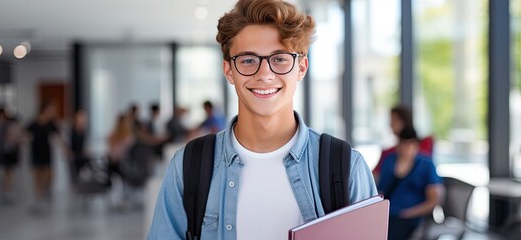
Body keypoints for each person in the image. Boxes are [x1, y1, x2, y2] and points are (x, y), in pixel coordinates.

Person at [147, 0, 377, 239]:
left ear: (301, 68)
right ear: (228, 71)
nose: (264, 74)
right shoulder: (188, 166)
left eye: (279, 59)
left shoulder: (346, 166)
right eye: (248, 60)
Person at [376, 127, 443, 240]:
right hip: (388, 214)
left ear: (417, 146)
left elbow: (434, 200)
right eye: (404, 144)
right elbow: (380, 191)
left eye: (410, 144)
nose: (407, 149)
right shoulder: (389, 161)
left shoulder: (426, 165)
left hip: (411, 217)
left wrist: (408, 213)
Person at [372, 105, 434, 180]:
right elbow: (375, 176)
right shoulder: (388, 154)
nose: (391, 124)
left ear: (404, 121)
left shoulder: (424, 148)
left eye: (394, 120)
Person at [26, 100, 68, 206]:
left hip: (46, 152)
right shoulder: (35, 122)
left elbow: (58, 137)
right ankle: (39, 199)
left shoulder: (51, 123)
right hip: (36, 152)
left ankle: (45, 192)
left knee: (49, 176)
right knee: (37, 176)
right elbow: (25, 133)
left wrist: (64, 149)